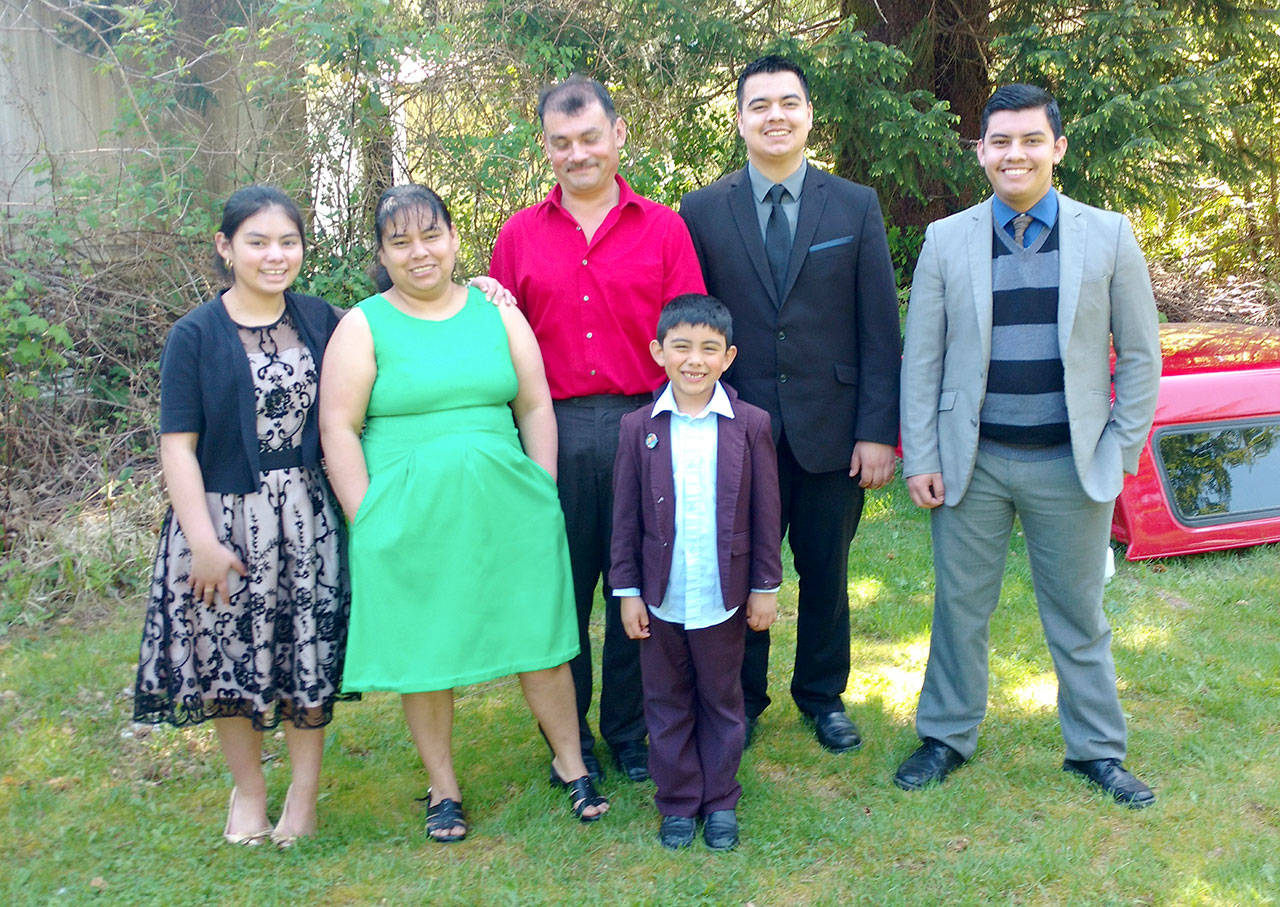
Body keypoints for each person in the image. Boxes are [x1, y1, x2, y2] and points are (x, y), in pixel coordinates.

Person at [896, 84, 1161, 807]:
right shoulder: (946, 240)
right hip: (972, 464)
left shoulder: (1109, 235)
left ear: (1057, 148)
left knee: (1079, 616)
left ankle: (1096, 751)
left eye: (1031, 140)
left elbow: (1142, 357)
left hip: (1070, 465)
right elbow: (922, 360)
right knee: (959, 609)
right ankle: (946, 736)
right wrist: (922, 455)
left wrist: (1118, 449)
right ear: (981, 151)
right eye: (1001, 141)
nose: (1016, 154)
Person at [320, 184, 607, 843]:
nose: (419, 252)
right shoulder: (363, 325)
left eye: (431, 235)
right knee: (427, 648)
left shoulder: (495, 311)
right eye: (400, 242)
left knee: (539, 634)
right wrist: (368, 517)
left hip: (508, 507)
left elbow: (534, 404)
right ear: (382, 254)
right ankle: (443, 787)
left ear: (453, 239)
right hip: (408, 516)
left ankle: (571, 764)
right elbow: (338, 427)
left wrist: (541, 489)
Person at [679, 56, 901, 753]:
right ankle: (741, 699)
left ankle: (823, 695)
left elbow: (879, 327)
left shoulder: (855, 204)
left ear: (808, 114)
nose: (774, 116)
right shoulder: (702, 210)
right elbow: (695, 324)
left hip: (833, 429)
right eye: (759, 105)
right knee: (741, 566)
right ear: (739, 119)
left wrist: (877, 431)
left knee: (826, 570)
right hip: (738, 427)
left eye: (788, 102)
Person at [489, 75, 707, 783]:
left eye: (590, 137)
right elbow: (498, 350)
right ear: (546, 148)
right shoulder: (518, 236)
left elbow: (690, 338)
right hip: (549, 430)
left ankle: (629, 729)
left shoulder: (664, 228)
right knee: (562, 587)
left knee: (636, 585)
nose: (578, 153)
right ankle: (569, 737)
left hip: (644, 423)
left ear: (618, 134)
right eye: (562, 143)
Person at [134, 185, 353, 847]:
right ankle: (250, 792)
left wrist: (484, 289)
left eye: (287, 241)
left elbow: (403, 322)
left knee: (306, 653)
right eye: (257, 242)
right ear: (226, 247)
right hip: (222, 523)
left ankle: (304, 796)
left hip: (308, 519)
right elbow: (178, 447)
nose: (274, 255)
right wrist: (201, 541)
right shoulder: (194, 335)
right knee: (228, 657)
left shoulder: (324, 320)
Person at [610, 294, 782, 851]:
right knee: (665, 701)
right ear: (658, 352)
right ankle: (679, 801)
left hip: (721, 594)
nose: (694, 360)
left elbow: (766, 513)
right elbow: (625, 518)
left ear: (728, 357)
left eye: (709, 349)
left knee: (722, 699)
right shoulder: (638, 427)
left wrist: (764, 587)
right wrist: (628, 592)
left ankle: (721, 799)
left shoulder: (750, 425)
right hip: (660, 596)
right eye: (681, 346)